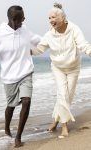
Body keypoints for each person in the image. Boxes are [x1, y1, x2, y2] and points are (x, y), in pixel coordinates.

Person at [0, 5, 40, 147]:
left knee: (26, 101)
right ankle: (7, 127)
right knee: (11, 106)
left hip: (26, 72)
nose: (24, 20)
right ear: (14, 19)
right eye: (22, 18)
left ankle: (18, 137)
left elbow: (36, 39)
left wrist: (53, 39)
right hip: (9, 77)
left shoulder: (24, 29)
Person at [31, 3, 91, 138]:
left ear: (63, 18)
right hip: (58, 68)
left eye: (53, 17)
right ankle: (64, 126)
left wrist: (89, 51)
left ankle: (55, 120)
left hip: (73, 68)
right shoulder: (49, 35)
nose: (51, 20)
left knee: (67, 96)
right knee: (62, 94)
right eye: (49, 18)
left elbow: (83, 44)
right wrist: (28, 51)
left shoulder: (74, 29)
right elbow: (39, 48)